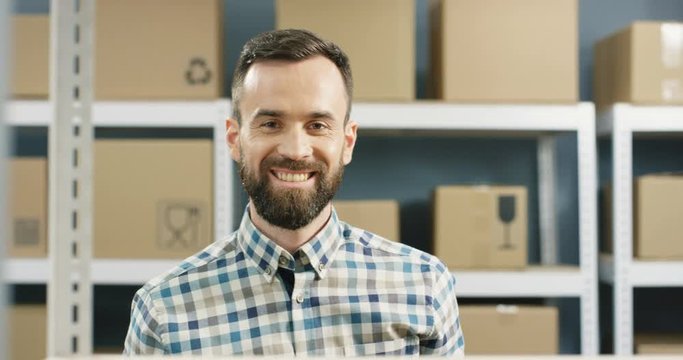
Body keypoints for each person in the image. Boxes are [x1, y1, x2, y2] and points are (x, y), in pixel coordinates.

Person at [123, 29, 464, 356]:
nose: (296, 150)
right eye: (271, 124)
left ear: (347, 142)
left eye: (317, 126)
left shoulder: (424, 287)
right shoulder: (164, 309)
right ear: (234, 139)